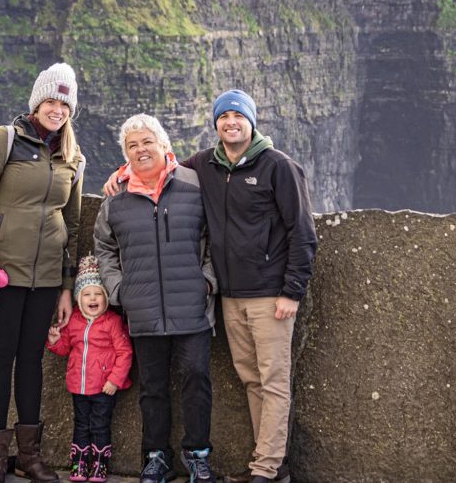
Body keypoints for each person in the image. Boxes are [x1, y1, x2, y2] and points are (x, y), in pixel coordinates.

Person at [104, 91, 316, 483]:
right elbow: (157, 167)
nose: (230, 122)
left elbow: (303, 234)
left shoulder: (279, 167)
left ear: (251, 121)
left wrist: (292, 291)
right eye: (223, 116)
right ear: (215, 124)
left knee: (271, 381)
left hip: (270, 295)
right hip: (231, 299)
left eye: (238, 115)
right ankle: (271, 464)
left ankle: (266, 468)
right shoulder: (206, 165)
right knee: (251, 379)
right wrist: (121, 173)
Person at [0, 62, 85, 483]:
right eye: (51, 100)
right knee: (0, 358)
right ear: (37, 102)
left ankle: (29, 456)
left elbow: (73, 224)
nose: (57, 109)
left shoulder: (73, 156)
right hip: (1, 272)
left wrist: (68, 286)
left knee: (32, 360)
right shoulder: (6, 140)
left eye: (64, 103)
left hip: (47, 277)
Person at [93, 114, 218, 483]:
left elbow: (215, 239)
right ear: (125, 155)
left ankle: (197, 455)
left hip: (193, 306)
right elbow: (104, 248)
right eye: (132, 145)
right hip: (143, 309)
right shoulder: (116, 198)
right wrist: (119, 292)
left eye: (147, 141)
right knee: (152, 387)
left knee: (197, 378)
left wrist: (206, 282)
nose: (141, 150)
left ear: (164, 144)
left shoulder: (195, 186)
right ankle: (156, 457)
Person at [46, 255, 133, 483]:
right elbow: (66, 348)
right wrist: (55, 341)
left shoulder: (112, 322)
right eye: (86, 294)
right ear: (78, 298)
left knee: (100, 425)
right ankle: (80, 462)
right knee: (81, 425)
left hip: (104, 388)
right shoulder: (74, 320)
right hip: (78, 386)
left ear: (105, 298)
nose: (92, 299)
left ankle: (100, 464)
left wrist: (115, 380)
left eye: (97, 294)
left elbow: (125, 352)